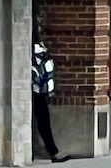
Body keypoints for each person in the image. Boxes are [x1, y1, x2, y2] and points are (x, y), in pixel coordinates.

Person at [32, 33, 69, 162]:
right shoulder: (37, 49)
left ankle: (51, 150)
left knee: (43, 120)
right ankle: (52, 151)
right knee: (43, 120)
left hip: (39, 89)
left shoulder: (38, 48)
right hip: (37, 89)